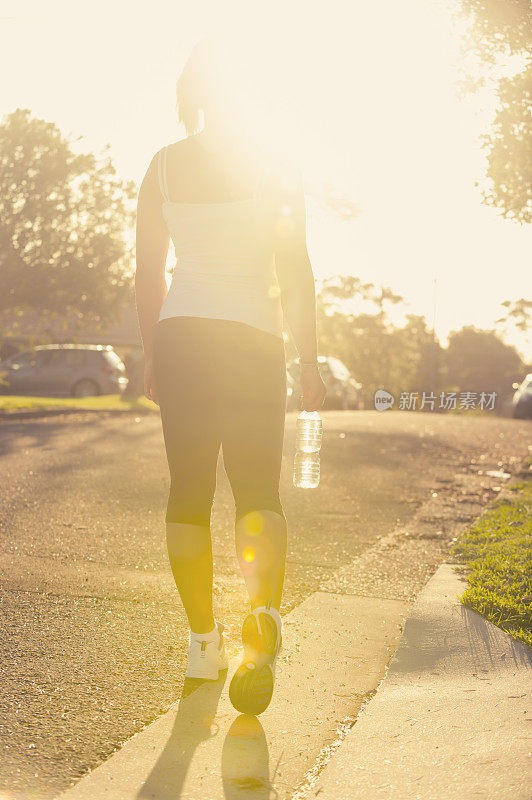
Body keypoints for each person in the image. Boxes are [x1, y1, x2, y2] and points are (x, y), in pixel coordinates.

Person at [135, 38, 326, 716]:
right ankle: (264, 618)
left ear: (195, 93)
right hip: (253, 339)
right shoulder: (277, 164)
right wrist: (307, 356)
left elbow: (148, 270)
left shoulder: (161, 167)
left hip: (184, 335)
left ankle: (201, 642)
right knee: (257, 490)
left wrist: (153, 350)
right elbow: (296, 268)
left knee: (187, 492)